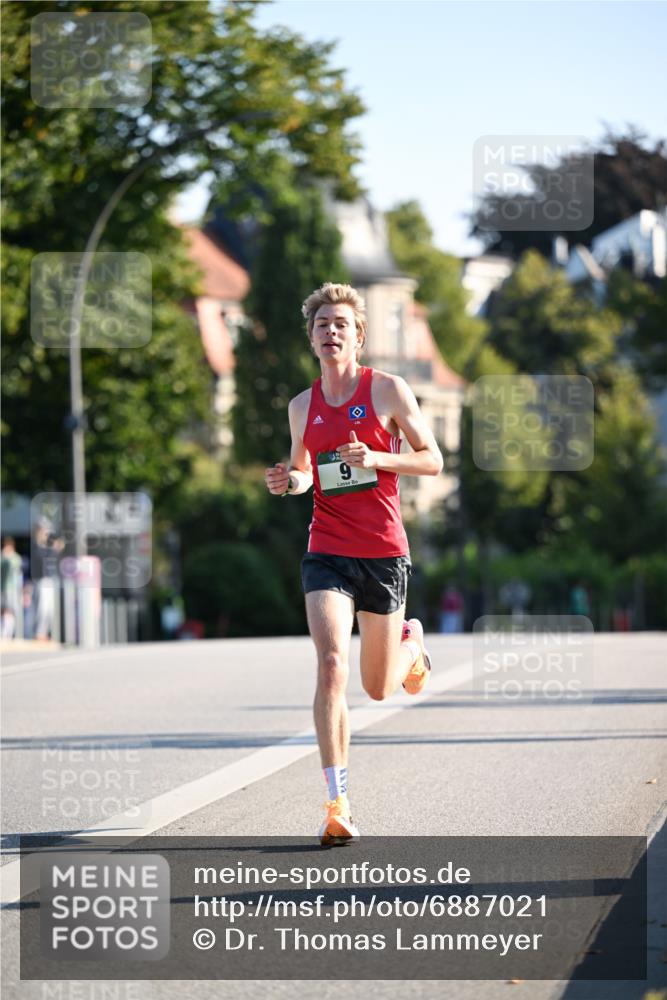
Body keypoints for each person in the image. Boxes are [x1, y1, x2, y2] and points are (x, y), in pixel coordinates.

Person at [265, 282, 443, 846]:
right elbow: (304, 473)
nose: (331, 332)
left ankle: (412, 648)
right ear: (312, 337)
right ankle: (336, 803)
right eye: (322, 325)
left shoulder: (388, 391)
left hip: (385, 552)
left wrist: (378, 456)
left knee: (380, 688)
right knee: (332, 665)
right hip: (328, 551)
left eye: (341, 324)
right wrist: (286, 481)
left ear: (358, 336)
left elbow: (433, 460)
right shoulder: (302, 406)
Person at [1, 536, 23, 639]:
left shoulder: (15, 558)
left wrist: (7, 558)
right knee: (3, 609)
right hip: (2, 588)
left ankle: (8, 634)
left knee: (10, 609)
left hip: (11, 588)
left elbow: (15, 568)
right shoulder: (2, 557)